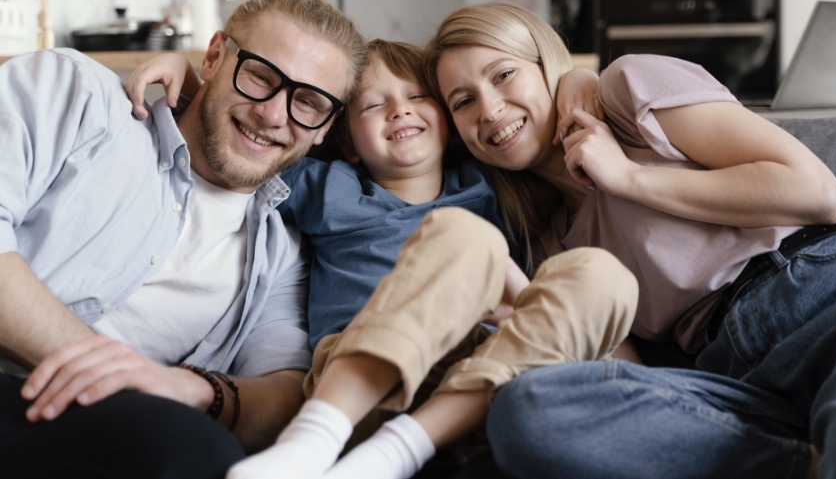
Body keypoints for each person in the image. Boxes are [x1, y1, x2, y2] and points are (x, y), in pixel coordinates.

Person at [126, 38, 639, 479]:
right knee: (464, 235)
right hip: (360, 373)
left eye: (418, 97)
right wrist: (190, 75)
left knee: (605, 277)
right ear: (346, 140)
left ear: (449, 120)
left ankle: (397, 453)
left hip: (483, 375)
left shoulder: (490, 184)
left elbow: (545, 138)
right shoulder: (328, 185)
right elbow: (252, 139)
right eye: (374, 106)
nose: (400, 110)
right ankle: (315, 437)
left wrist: (576, 74)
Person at [418, 2, 836, 479]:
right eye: (463, 101)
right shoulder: (547, 249)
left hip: (829, 289)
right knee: (525, 412)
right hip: (729, 376)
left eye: (503, 75)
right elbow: (634, 381)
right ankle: (808, 458)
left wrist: (627, 177)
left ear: (546, 66)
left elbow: (818, 194)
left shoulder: (626, 91)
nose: (490, 109)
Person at [0, 0, 366, 478]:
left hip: (106, 436)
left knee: (205, 450)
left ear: (326, 126)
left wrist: (195, 390)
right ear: (214, 57)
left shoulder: (280, 254)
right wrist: (117, 377)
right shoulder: (75, 92)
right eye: (259, 75)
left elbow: (286, 392)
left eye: (309, 102)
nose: (274, 115)